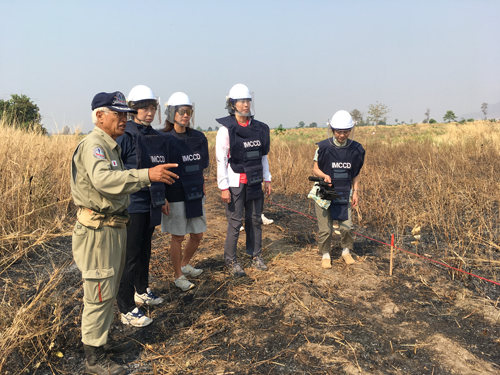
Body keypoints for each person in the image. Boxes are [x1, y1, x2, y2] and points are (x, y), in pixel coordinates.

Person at [71, 91, 178, 375]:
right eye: (117, 114)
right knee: (98, 292)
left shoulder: (112, 146)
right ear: (99, 116)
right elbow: (103, 180)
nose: (123, 119)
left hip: (112, 226)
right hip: (98, 231)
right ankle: (94, 359)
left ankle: (102, 343)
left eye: (124, 114)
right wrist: (147, 175)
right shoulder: (94, 144)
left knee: (108, 289)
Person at [115, 85, 168, 328]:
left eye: (152, 108)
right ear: (133, 108)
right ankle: (126, 306)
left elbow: (159, 170)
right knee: (130, 256)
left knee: (146, 249)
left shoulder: (154, 136)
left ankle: (142, 289)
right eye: (144, 108)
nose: (149, 112)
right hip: (132, 203)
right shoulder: (125, 136)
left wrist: (162, 197)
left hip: (152, 202)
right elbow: (119, 173)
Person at [216, 84, 272, 277]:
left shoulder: (259, 129)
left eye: (247, 100)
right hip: (235, 182)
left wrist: (267, 178)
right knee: (235, 221)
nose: (245, 104)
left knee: (255, 219)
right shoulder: (226, 130)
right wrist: (223, 186)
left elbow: (262, 156)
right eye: (240, 101)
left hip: (255, 180)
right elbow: (221, 160)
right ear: (232, 104)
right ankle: (231, 260)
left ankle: (256, 255)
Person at [160, 92, 209, 291]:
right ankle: (178, 276)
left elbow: (200, 165)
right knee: (178, 237)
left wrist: (203, 183)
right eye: (181, 111)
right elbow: (159, 169)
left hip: (196, 192)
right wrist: (161, 195)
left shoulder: (198, 137)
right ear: (171, 113)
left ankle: (184, 264)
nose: (185, 115)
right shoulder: (161, 138)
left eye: (188, 111)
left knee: (197, 234)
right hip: (175, 194)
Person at [308, 110, 365, 269]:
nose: (342, 135)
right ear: (332, 130)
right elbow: (315, 169)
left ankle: (346, 251)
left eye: (346, 131)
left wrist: (356, 192)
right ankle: (325, 254)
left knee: (347, 227)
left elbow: (355, 174)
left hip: (344, 193)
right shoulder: (323, 148)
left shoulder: (356, 150)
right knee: (325, 229)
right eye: (339, 131)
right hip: (324, 194)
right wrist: (324, 175)